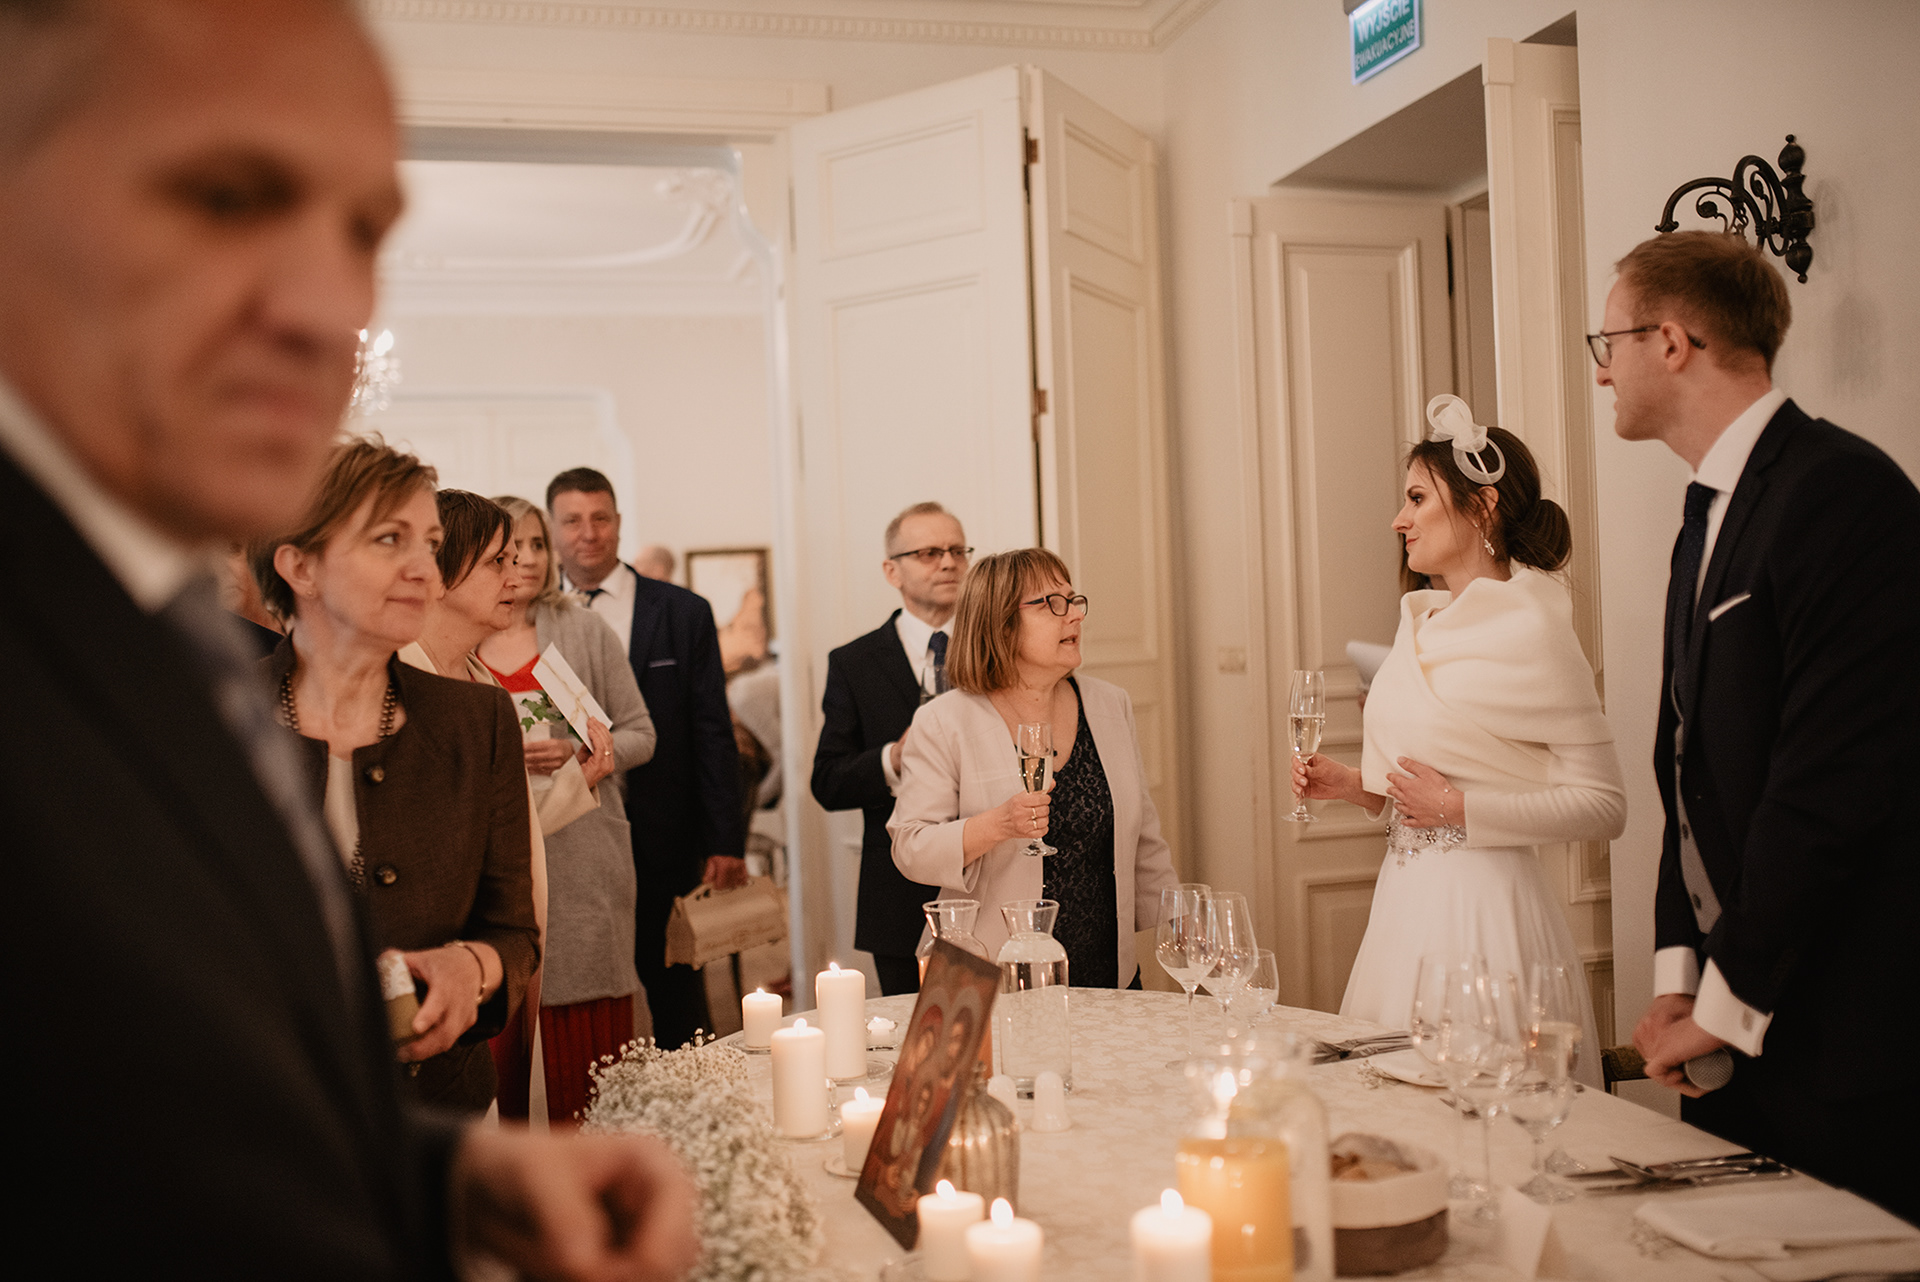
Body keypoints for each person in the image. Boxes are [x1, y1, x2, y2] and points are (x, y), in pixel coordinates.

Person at [1, 0, 698, 1273]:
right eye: (230, 194)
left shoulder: (168, 628)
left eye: (364, 230)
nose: (327, 302)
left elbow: (160, 1097)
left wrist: (447, 1176)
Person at [1606, 232, 1920, 1218]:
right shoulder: (1704, 514)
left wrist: (1728, 999)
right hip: (1728, 1027)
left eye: (1608, 343)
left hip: (1845, 1025)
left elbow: (1830, 783)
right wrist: (1679, 973)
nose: (1602, 370)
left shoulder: (1844, 492)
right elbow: (1686, 766)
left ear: (1670, 342)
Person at [1292, 397, 1625, 1086]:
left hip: (1487, 914)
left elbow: (1604, 806)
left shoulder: (1535, 628)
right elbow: (1433, 775)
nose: (1398, 519)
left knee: (1489, 1110)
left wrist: (1460, 811)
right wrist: (1355, 787)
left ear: (1483, 506)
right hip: (1404, 908)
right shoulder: (1425, 621)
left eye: (1417, 498)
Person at [255, 453, 542, 1116]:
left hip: (444, 1106)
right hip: (274, 1118)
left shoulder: (477, 719)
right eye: (390, 539)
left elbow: (514, 932)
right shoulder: (217, 720)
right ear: (300, 567)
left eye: (432, 545)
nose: (424, 570)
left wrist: (473, 967)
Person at [889, 548, 1179, 984]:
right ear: (1000, 624)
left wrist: (1184, 931)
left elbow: (1145, 840)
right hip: (987, 976)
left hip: (1105, 972)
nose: (1074, 615)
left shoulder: (1109, 704)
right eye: (1051, 604)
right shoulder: (944, 720)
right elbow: (911, 847)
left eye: (1073, 600)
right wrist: (997, 825)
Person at [547, 466, 744, 1049]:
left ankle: (694, 1092)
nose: (588, 533)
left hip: (665, 826)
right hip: (571, 831)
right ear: (552, 529)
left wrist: (725, 838)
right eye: (572, 521)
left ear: (618, 522)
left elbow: (713, 729)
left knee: (675, 984)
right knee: (590, 985)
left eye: (600, 518)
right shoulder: (527, 614)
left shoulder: (682, 611)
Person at [481, 494, 658, 1124]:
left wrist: (586, 751)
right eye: (510, 550)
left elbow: (641, 733)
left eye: (536, 544)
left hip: (585, 850)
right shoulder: (454, 639)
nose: (527, 560)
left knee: (589, 1030)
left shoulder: (582, 629)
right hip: (498, 853)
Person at [812, 502, 967, 994]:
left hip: (990, 883)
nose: (948, 563)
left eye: (957, 550)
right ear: (891, 571)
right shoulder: (854, 662)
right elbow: (828, 781)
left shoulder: (996, 648)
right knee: (911, 1034)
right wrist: (893, 759)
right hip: (898, 896)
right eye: (929, 553)